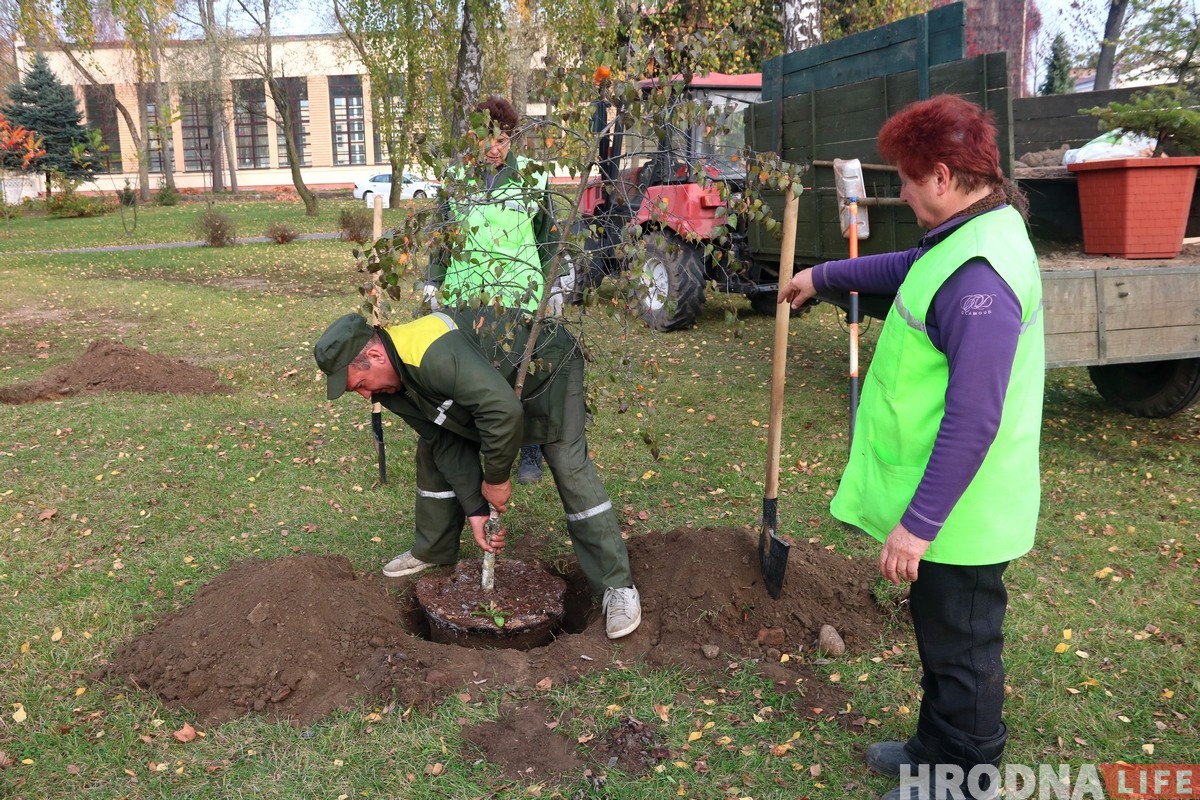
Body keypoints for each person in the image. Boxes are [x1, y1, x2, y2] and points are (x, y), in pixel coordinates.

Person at [779, 95, 1044, 800]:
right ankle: (935, 746)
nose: (898, 189)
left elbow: (974, 418)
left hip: (967, 510)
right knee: (939, 633)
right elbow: (909, 269)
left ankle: (964, 774)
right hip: (951, 501)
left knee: (963, 648)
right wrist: (823, 276)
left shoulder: (983, 276)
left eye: (905, 176)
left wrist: (919, 525)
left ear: (944, 177)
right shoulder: (967, 234)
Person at [313, 307, 641, 640]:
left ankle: (617, 585)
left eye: (359, 385)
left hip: (547, 363)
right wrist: (476, 510)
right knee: (431, 451)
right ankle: (435, 548)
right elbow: (443, 438)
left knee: (566, 460)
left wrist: (496, 479)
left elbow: (501, 411)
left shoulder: (432, 357)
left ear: (374, 355)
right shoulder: (395, 385)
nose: (366, 395)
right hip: (496, 382)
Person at [424, 95, 576, 485]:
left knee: (522, 373)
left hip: (520, 295)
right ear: (473, 137)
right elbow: (443, 237)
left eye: (503, 140)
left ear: (513, 139)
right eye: (487, 139)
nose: (494, 149)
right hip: (466, 296)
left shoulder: (532, 177)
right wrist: (433, 281)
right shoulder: (456, 180)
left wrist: (556, 282)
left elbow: (546, 237)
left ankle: (528, 448)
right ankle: (474, 446)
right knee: (472, 378)